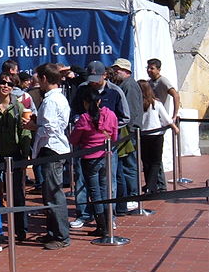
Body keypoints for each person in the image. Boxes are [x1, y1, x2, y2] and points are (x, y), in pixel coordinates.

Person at [69, 60, 129, 227]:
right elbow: (74, 111)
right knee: (82, 180)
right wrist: (81, 122)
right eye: (91, 78)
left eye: (97, 77)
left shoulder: (115, 92)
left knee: (108, 182)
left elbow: (125, 116)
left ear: (105, 75)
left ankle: (109, 217)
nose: (94, 82)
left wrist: (107, 129)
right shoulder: (82, 89)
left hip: (107, 147)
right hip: (85, 146)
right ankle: (84, 213)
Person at [30, 62, 72, 250]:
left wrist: (34, 126)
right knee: (50, 192)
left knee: (54, 193)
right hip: (53, 147)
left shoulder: (52, 100)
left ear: (45, 79)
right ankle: (53, 232)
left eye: (38, 78)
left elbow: (50, 127)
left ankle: (61, 235)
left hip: (52, 148)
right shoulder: (57, 98)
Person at [68, 88, 118, 236]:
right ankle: (108, 222)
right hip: (106, 156)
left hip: (89, 158)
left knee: (95, 193)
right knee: (105, 190)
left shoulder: (84, 118)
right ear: (99, 101)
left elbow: (73, 139)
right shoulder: (111, 115)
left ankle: (102, 226)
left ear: (85, 103)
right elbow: (114, 137)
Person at [0, 73, 32, 242]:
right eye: (3, 82)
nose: (6, 86)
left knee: (17, 194)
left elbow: (25, 131)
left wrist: (24, 156)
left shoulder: (18, 107)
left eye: (10, 84)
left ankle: (20, 230)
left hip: (13, 155)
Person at [111, 58, 144, 214]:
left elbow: (130, 112)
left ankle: (133, 195)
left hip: (128, 133)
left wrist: (128, 131)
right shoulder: (124, 85)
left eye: (118, 69)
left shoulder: (129, 85)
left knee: (129, 165)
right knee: (126, 165)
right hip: (127, 132)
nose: (115, 72)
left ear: (126, 71)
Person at [138, 80, 179, 193]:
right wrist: (174, 127)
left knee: (146, 161)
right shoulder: (156, 104)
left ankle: (149, 184)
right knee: (155, 162)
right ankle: (152, 185)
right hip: (156, 135)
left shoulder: (138, 103)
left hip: (143, 135)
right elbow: (166, 119)